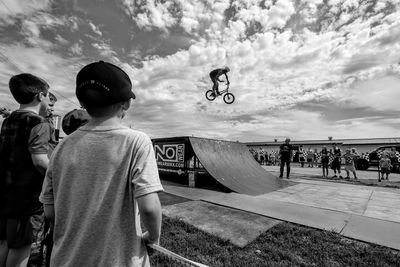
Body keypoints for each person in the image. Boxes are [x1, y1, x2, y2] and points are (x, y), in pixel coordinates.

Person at [39, 60, 163, 266]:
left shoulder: (61, 147)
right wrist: (153, 238)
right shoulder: (136, 141)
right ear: (126, 103)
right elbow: (149, 208)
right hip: (120, 260)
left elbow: (50, 210)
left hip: (66, 258)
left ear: (82, 104)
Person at [0, 73, 51, 267]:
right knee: (21, 248)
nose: (48, 101)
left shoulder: (9, 120)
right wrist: (56, 177)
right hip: (26, 200)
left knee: (4, 242)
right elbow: (39, 160)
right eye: (48, 96)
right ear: (40, 96)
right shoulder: (38, 122)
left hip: (5, 194)